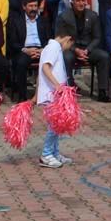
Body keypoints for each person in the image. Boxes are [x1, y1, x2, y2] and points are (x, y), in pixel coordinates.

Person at [55, 0, 109, 101]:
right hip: (71, 48)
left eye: (83, 0)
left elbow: (97, 37)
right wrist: (76, 50)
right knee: (66, 57)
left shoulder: (93, 15)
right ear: (72, 2)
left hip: (88, 49)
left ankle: (103, 91)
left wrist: (87, 50)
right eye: (78, 1)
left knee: (104, 56)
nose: (81, 3)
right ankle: (69, 91)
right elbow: (61, 38)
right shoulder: (64, 16)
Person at [36, 26, 76, 168]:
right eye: (70, 45)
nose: (68, 48)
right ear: (68, 39)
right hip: (51, 94)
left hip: (55, 94)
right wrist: (57, 85)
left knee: (57, 125)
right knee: (53, 125)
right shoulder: (53, 48)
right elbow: (45, 67)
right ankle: (46, 155)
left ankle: (54, 152)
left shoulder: (54, 48)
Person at [6, 0, 51, 103]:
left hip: (41, 50)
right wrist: (26, 50)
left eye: (35, 6)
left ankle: (47, 95)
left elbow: (49, 38)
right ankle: (22, 96)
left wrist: (42, 50)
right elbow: (12, 42)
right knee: (21, 63)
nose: (33, 9)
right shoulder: (16, 21)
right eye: (30, 6)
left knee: (51, 61)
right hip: (24, 50)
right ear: (24, 7)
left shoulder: (43, 21)